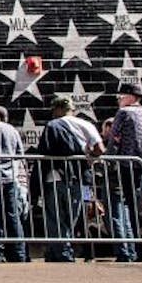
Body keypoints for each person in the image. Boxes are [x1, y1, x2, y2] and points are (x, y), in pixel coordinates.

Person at [38, 95, 100, 262]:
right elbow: (99, 148)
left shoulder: (53, 125)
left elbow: (45, 151)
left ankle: (62, 253)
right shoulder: (86, 124)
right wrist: (89, 159)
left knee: (56, 217)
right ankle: (84, 253)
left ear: (57, 109)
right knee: (77, 216)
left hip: (56, 177)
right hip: (81, 179)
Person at [104, 81, 142, 262]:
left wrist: (108, 160)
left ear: (132, 97)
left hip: (128, 165)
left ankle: (139, 249)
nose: (119, 99)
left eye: (122, 95)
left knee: (132, 207)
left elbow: (114, 139)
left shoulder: (124, 113)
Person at [0, 105, 27, 263]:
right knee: (13, 214)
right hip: (11, 177)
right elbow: (20, 154)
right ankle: (18, 252)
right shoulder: (13, 131)